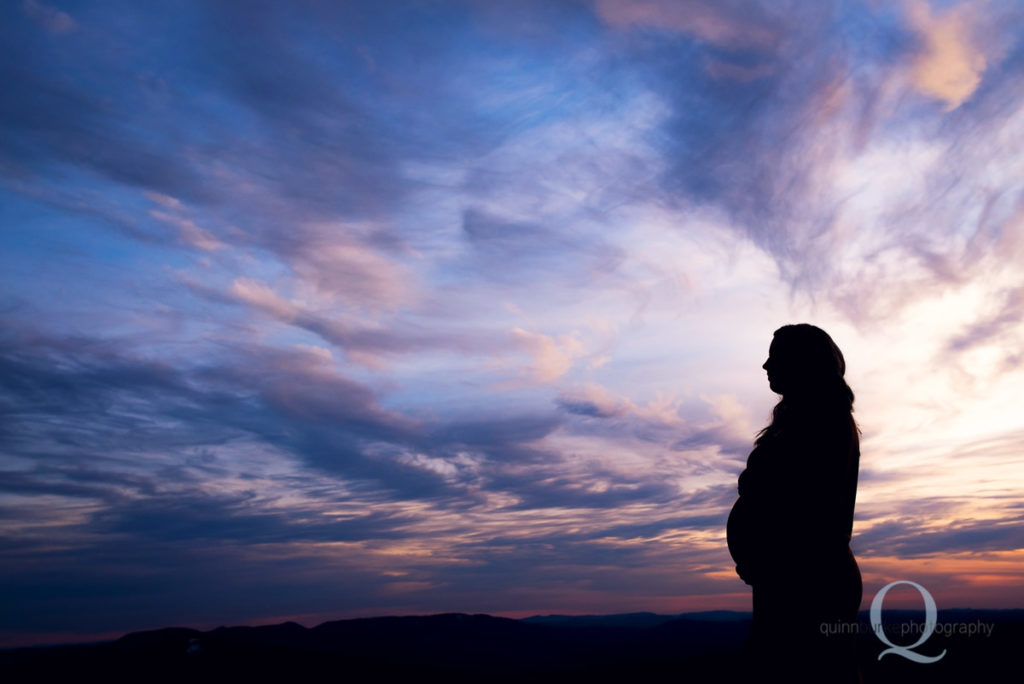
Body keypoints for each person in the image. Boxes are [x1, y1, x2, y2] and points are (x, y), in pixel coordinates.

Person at [726, 324, 862, 682]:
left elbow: (802, 509)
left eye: (776, 356)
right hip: (786, 579)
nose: (765, 365)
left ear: (803, 363)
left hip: (808, 584)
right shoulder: (799, 422)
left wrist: (766, 557)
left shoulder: (823, 422)